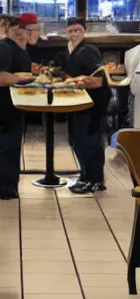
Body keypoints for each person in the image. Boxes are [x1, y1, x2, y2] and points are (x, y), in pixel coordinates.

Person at [0, 17, 32, 199]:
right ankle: (5, 188)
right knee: (6, 145)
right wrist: (21, 78)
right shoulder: (3, 48)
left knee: (9, 145)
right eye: (28, 30)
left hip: (11, 105)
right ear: (16, 30)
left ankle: (6, 185)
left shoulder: (16, 49)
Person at [62, 17, 111, 194]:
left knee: (90, 141)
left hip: (93, 103)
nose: (74, 34)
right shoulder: (70, 50)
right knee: (77, 140)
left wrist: (77, 83)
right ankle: (85, 176)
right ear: (66, 32)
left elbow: (98, 80)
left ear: (84, 31)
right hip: (79, 102)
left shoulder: (88, 50)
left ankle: (95, 180)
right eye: (71, 31)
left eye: (78, 30)